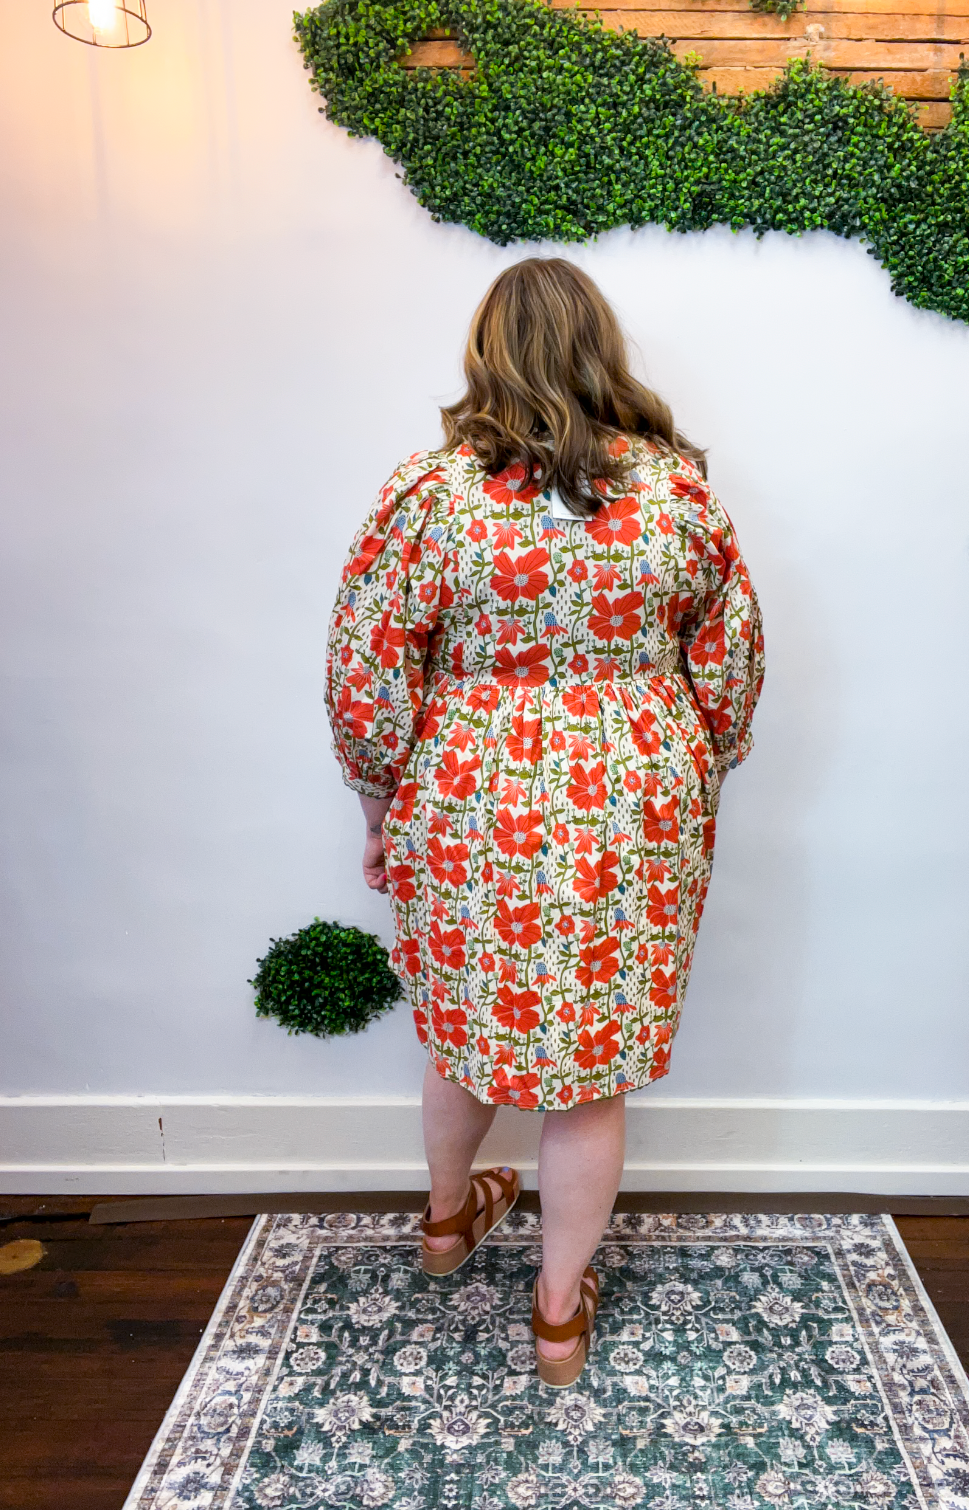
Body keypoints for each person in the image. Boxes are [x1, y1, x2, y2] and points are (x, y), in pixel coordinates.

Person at [325, 257, 764, 1388]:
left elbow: (368, 675)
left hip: (470, 798)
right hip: (633, 804)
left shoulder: (430, 495)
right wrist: (694, 774)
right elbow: (731, 664)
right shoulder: (676, 492)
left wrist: (378, 808)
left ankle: (445, 1219)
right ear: (598, 349)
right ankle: (558, 1313)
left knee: (461, 1029)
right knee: (591, 1069)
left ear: (488, 353)